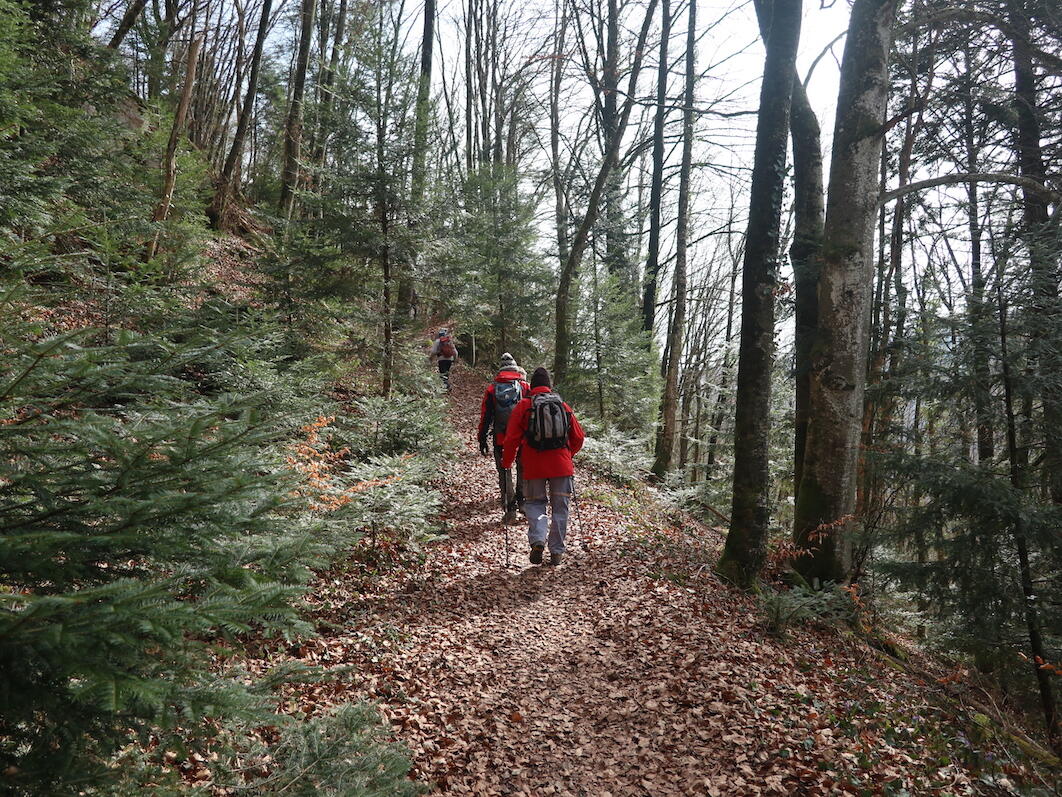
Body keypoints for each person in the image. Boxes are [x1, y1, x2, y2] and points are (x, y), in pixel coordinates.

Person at [501, 367, 585, 567]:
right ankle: (556, 552)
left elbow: (511, 439)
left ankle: (538, 540)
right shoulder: (562, 406)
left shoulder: (524, 406)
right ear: (549, 386)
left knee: (535, 503)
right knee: (560, 508)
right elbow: (579, 437)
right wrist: (568, 455)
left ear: (532, 386)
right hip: (561, 466)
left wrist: (507, 462)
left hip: (534, 465)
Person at [477, 353, 530, 524]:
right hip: (523, 437)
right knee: (522, 468)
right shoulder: (524, 386)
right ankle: (523, 502)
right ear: (515, 368)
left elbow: (486, 416)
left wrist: (482, 438)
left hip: (501, 437)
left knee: (504, 471)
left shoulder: (492, 389)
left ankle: (510, 509)